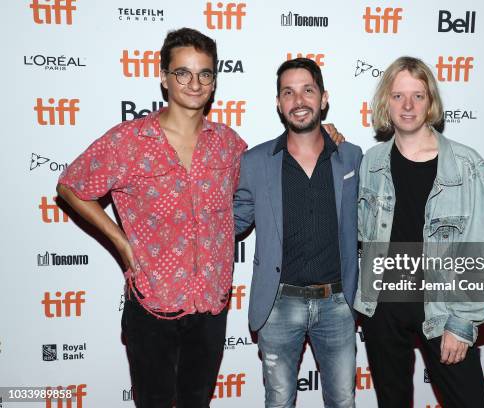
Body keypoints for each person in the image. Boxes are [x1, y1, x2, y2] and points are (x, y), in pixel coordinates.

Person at [56, 28, 247, 407]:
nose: (195, 83)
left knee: (197, 401)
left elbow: (268, 174)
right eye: (183, 73)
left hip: (210, 301)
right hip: (152, 298)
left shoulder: (228, 143)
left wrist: (323, 137)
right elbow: (71, 186)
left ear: (214, 81)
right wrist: (121, 242)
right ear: (163, 77)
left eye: (205, 73)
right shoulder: (129, 141)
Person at [353, 56, 484, 408]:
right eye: (399, 95)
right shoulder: (372, 162)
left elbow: (478, 252)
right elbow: (363, 234)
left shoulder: (467, 167)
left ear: (430, 101)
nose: (408, 106)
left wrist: (462, 322)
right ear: (386, 101)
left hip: (442, 309)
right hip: (382, 310)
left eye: (418, 96)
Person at [233, 58, 362, 408]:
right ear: (278, 103)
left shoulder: (352, 157)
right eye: (288, 92)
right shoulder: (256, 161)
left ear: (324, 98)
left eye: (308, 90)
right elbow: (233, 220)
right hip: (278, 305)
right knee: (278, 401)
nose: (299, 100)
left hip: (338, 304)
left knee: (343, 401)